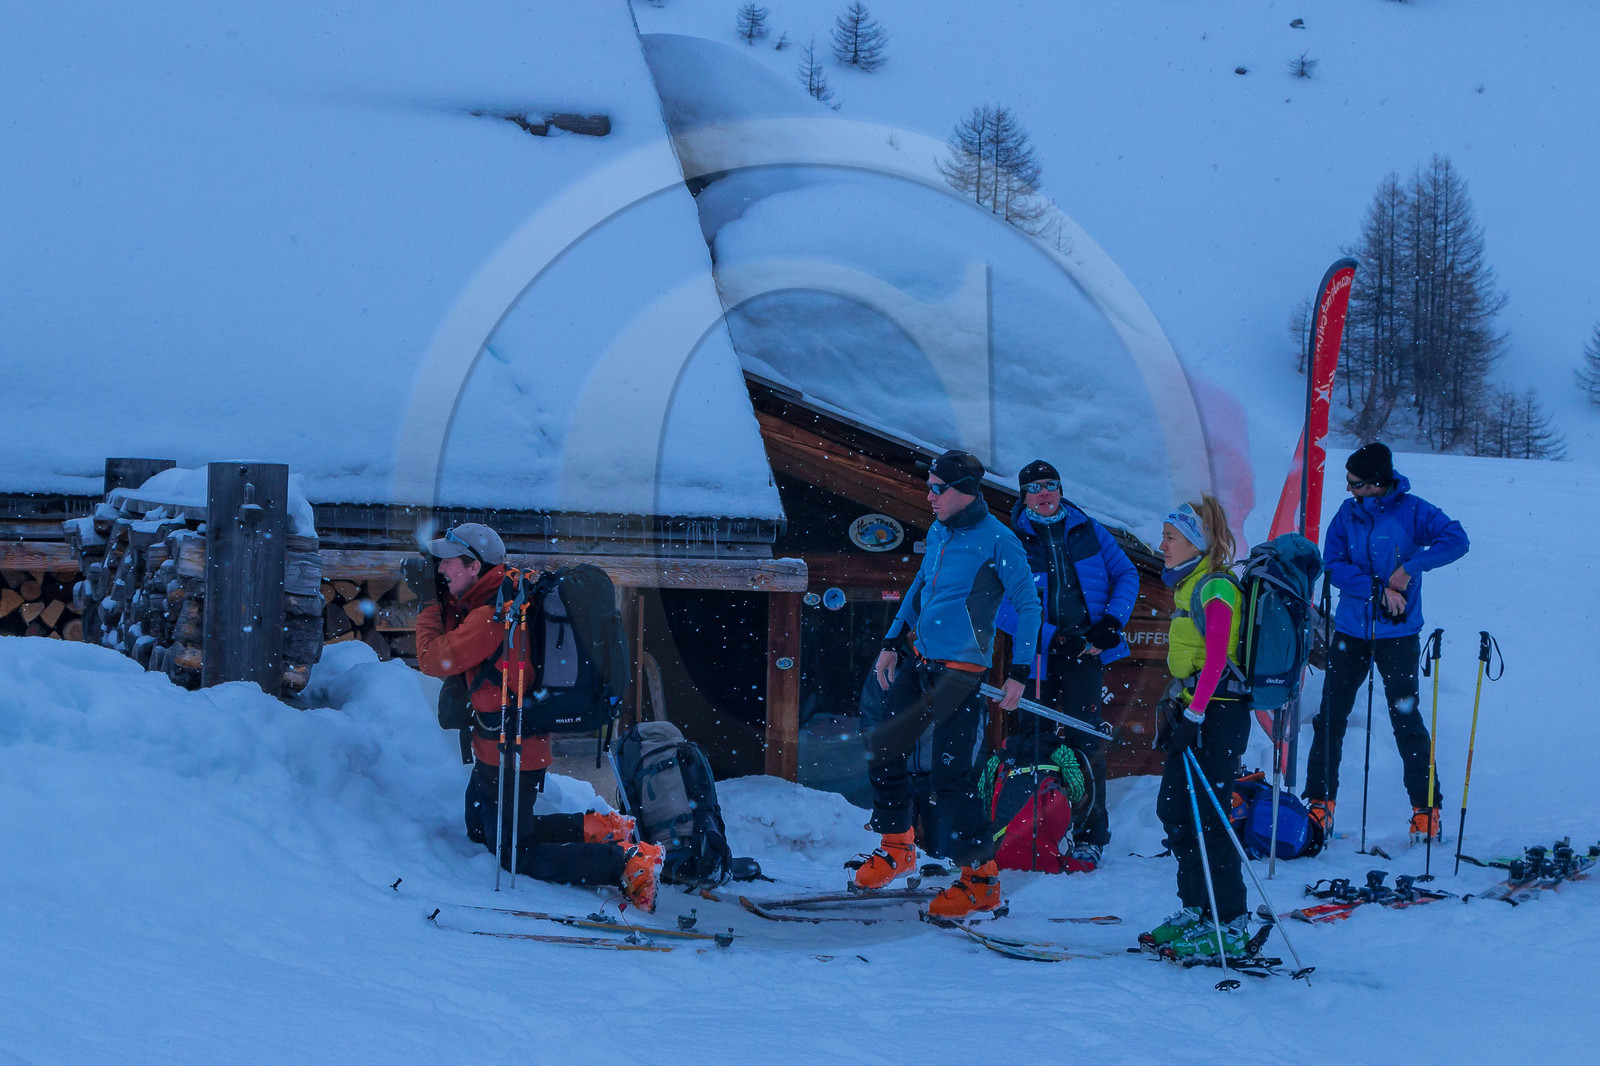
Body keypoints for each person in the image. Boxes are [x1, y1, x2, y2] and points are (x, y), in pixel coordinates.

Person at [412, 523, 664, 910]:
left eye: (447, 563)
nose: (440, 570)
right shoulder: (499, 597)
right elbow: (464, 639)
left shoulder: (493, 615)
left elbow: (435, 658)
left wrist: (428, 606)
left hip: (511, 752)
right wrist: (439, 602)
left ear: (473, 566)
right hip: (495, 745)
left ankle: (629, 865)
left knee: (516, 854)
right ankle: (603, 828)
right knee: (481, 829)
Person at [852, 450, 1042, 919]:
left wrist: (1019, 673)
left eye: (938, 488)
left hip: (961, 675)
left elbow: (1029, 605)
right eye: (930, 486)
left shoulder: (1000, 540)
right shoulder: (940, 530)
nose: (929, 495)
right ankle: (897, 846)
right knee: (884, 746)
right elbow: (919, 589)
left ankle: (981, 880)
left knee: (950, 780)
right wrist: (892, 641)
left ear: (965, 491)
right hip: (919, 660)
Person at [1303, 443, 1469, 843]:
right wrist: (1377, 589)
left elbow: (1457, 539)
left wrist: (1408, 569)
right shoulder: (1348, 513)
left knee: (1406, 721)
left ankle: (1426, 810)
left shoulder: (1413, 510)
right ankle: (1320, 806)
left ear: (1378, 484)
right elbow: (1333, 565)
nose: (1349, 489)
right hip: (1350, 633)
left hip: (1399, 637)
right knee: (1330, 719)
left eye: (1356, 483)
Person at [1005, 458, 1139, 870]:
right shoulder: (1010, 539)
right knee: (1034, 744)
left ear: (1061, 491)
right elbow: (998, 604)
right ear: (1024, 496)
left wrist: (1111, 624)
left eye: (1051, 485)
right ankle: (1031, 832)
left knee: (1085, 746)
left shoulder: (1088, 529)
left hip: (1085, 654)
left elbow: (1127, 576)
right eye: (1035, 487)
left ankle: (1089, 836)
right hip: (1038, 658)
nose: (1045, 493)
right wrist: (1048, 637)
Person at [1144, 496, 1253, 958]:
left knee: (1209, 819)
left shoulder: (1217, 588)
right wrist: (1182, 710)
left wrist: (1193, 715)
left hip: (1219, 713)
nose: (1162, 545)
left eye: (1170, 537)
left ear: (1195, 541)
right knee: (1174, 811)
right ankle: (1197, 908)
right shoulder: (1190, 585)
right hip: (1195, 710)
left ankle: (1230, 922)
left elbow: (1215, 662)